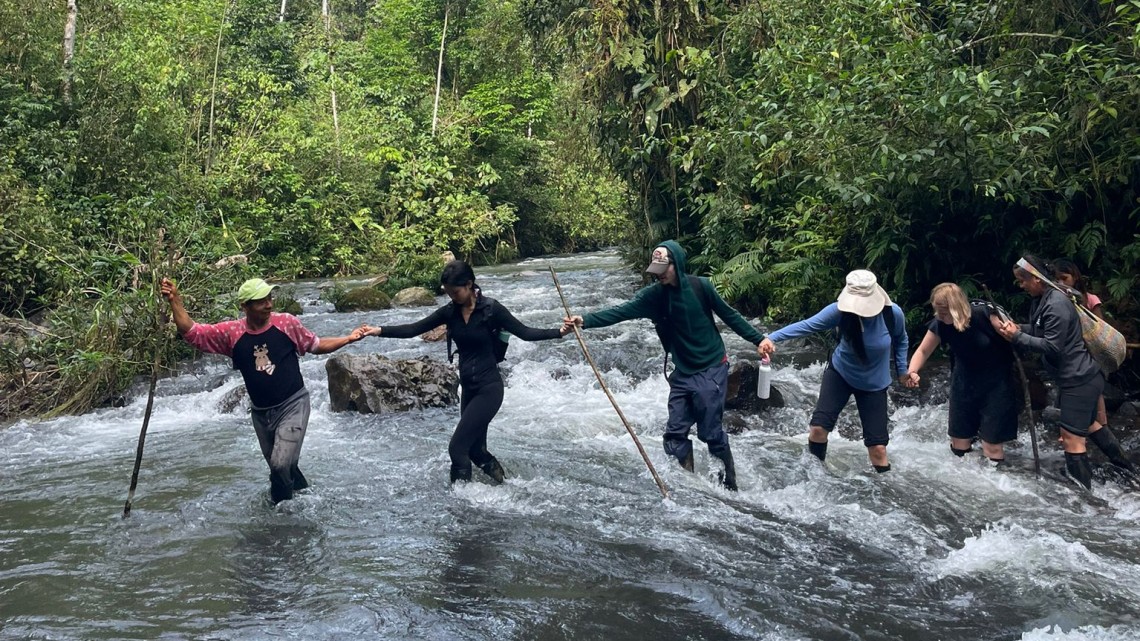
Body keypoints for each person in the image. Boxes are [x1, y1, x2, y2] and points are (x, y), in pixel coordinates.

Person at [563, 240, 766, 491]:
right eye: (655, 271)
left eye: (663, 270)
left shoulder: (701, 287)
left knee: (710, 434)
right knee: (674, 434)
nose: (658, 276)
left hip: (712, 367)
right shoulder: (653, 296)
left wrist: (759, 339)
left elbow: (730, 315)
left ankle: (729, 487)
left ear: (677, 265)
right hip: (682, 372)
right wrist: (584, 321)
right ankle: (688, 486)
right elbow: (620, 312)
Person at [359, 260, 570, 485]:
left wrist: (559, 332)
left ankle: (461, 502)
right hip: (468, 389)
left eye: (455, 292)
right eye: (448, 292)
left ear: (469, 285)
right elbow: (414, 329)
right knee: (476, 451)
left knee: (457, 448)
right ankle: (508, 487)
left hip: (489, 389)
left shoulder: (491, 309)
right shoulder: (450, 312)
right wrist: (378, 331)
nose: (452, 297)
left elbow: (525, 332)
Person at [162, 277, 367, 504]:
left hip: (294, 405)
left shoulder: (286, 323)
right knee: (282, 467)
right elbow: (192, 333)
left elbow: (315, 345)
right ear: (245, 306)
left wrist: (348, 339)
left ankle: (278, 519)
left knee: (280, 465)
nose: (269, 304)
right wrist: (175, 300)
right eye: (261, 301)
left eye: (270, 298)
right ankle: (303, 502)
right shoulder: (232, 333)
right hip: (261, 413)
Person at [992, 254, 1135, 489]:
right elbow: (1041, 330)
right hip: (1082, 377)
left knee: (1071, 438)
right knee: (1091, 424)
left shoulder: (1056, 303)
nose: (1021, 286)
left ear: (1036, 279)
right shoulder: (1046, 299)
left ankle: (1084, 497)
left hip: (1079, 380)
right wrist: (1019, 328)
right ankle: (1128, 471)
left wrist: (1016, 337)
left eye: (1023, 281)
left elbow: (1052, 346)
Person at [759, 270, 908, 473]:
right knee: (818, 429)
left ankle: (885, 492)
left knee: (878, 448)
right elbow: (807, 325)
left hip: (874, 383)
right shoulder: (839, 312)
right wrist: (771, 338)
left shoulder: (892, 314)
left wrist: (902, 370)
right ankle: (815, 473)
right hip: (841, 374)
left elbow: (901, 340)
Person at [903, 283, 1020, 464]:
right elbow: (923, 351)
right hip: (964, 382)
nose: (940, 317)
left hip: (997, 384)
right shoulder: (940, 324)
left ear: (957, 308)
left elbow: (1015, 336)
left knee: (992, 445)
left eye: (944, 313)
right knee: (959, 441)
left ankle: (993, 480)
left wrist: (1015, 335)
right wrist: (912, 371)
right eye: (938, 312)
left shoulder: (985, 315)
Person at [1052, 258, 1109, 429]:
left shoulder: (1090, 299)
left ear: (1075, 277)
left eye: (1065, 278)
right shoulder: (1054, 302)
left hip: (1089, 355)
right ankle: (1072, 429)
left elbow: (1100, 327)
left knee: (1097, 397)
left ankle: (1101, 426)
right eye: (1057, 280)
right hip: (1069, 358)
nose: (1061, 283)